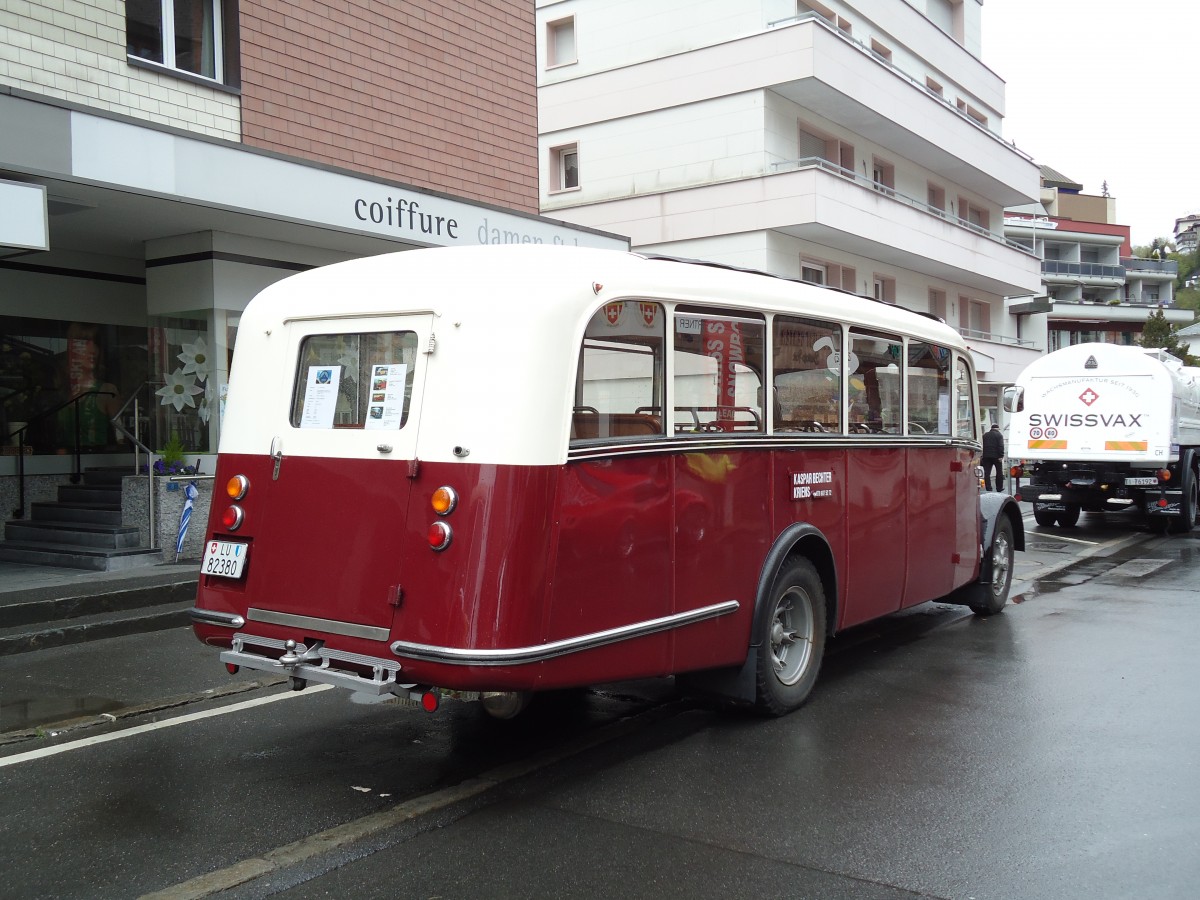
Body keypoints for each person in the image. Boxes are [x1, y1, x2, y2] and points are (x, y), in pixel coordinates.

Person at [982, 422, 1005, 492]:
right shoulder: (999, 435)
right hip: (997, 457)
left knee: (987, 473)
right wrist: (1001, 456)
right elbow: (1001, 446)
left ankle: (988, 488)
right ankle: (999, 488)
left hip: (986, 456)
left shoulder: (985, 435)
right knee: (999, 472)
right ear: (997, 428)